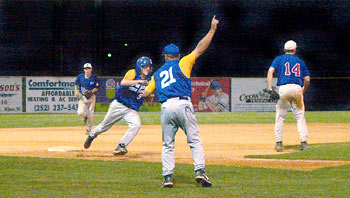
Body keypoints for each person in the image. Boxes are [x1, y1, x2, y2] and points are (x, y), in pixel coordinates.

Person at [141, 15, 219, 188]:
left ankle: (167, 177)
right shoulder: (183, 62)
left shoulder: (158, 73)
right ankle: (200, 172)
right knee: (194, 140)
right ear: (177, 56)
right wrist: (212, 29)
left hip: (166, 108)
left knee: (168, 145)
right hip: (183, 105)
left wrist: (147, 94)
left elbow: (146, 94)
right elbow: (200, 48)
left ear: (166, 56)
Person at [84, 57, 153, 156]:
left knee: (136, 125)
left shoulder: (150, 80)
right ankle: (92, 135)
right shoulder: (133, 73)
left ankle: (121, 146)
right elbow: (123, 82)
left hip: (131, 109)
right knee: (104, 126)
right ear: (139, 67)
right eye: (144, 67)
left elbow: (148, 103)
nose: (147, 69)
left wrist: (149, 97)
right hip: (119, 105)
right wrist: (139, 82)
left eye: (149, 67)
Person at [267, 40, 311, 152]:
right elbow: (307, 79)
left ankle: (279, 143)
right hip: (297, 88)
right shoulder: (300, 61)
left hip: (284, 88)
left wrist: (270, 88)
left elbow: (270, 72)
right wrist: (303, 90)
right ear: (295, 49)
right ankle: (304, 142)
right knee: (300, 116)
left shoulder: (279, 59)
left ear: (284, 49)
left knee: (280, 117)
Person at [74, 63, 100, 134]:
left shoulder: (94, 77)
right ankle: (85, 117)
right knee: (80, 112)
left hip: (91, 97)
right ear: (84, 69)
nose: (87, 70)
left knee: (90, 114)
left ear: (91, 69)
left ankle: (89, 129)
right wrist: (76, 91)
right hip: (82, 96)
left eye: (88, 68)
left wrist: (91, 92)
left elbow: (96, 87)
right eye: (85, 68)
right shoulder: (80, 76)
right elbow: (76, 84)